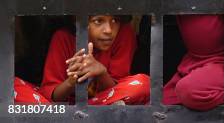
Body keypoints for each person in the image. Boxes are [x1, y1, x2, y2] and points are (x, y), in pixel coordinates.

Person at [15, 15, 150, 105]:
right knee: (11, 85)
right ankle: (67, 115)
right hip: (62, 106)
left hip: (103, 101)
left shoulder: (124, 34)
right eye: (98, 21)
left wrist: (101, 73)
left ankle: (69, 117)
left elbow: (118, 90)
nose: (109, 30)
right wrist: (71, 82)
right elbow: (51, 94)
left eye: (115, 20)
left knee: (144, 83)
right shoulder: (63, 38)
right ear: (78, 21)